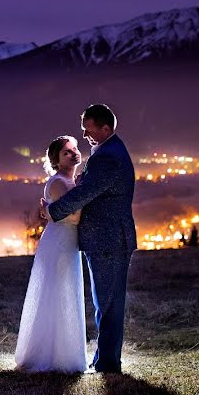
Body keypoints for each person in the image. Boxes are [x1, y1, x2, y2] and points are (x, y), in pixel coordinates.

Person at [42, 103, 136, 373]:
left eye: (89, 130)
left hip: (108, 240)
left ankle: (107, 363)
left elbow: (87, 193)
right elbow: (93, 187)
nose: (85, 136)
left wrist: (53, 211)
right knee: (106, 301)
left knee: (107, 303)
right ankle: (104, 360)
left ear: (105, 128)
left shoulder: (107, 156)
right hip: (109, 239)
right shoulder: (111, 151)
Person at [14, 135, 87, 373]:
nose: (74, 153)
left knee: (64, 293)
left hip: (66, 241)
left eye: (75, 149)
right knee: (58, 294)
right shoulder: (59, 183)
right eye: (67, 152)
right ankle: (55, 357)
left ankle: (62, 354)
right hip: (60, 243)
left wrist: (52, 210)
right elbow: (74, 217)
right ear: (56, 159)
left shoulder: (70, 181)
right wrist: (54, 211)